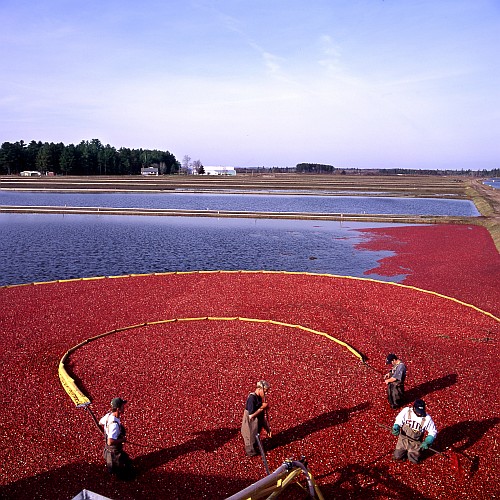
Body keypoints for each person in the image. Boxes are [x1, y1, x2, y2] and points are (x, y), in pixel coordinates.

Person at [391, 399, 437, 464]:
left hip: (415, 442)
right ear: (413, 408)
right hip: (403, 439)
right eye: (418, 411)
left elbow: (433, 431)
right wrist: (396, 427)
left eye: (421, 412)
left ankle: (414, 454)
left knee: (414, 460)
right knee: (397, 456)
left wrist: (428, 441)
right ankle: (403, 453)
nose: (419, 413)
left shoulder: (427, 419)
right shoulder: (406, 411)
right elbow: (398, 420)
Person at [99, 397, 134, 480]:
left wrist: (106, 429)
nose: (124, 408)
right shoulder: (114, 425)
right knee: (123, 472)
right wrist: (122, 440)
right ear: (118, 409)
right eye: (122, 406)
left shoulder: (108, 416)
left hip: (108, 450)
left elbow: (100, 422)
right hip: (114, 452)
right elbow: (110, 442)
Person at [241, 380, 272, 456]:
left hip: (256, 425)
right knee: (250, 441)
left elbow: (261, 415)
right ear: (259, 389)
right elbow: (251, 416)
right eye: (265, 392)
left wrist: (267, 428)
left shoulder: (259, 397)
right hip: (250, 425)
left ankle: (256, 447)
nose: (266, 394)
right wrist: (262, 408)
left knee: (255, 437)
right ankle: (251, 453)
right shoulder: (252, 399)